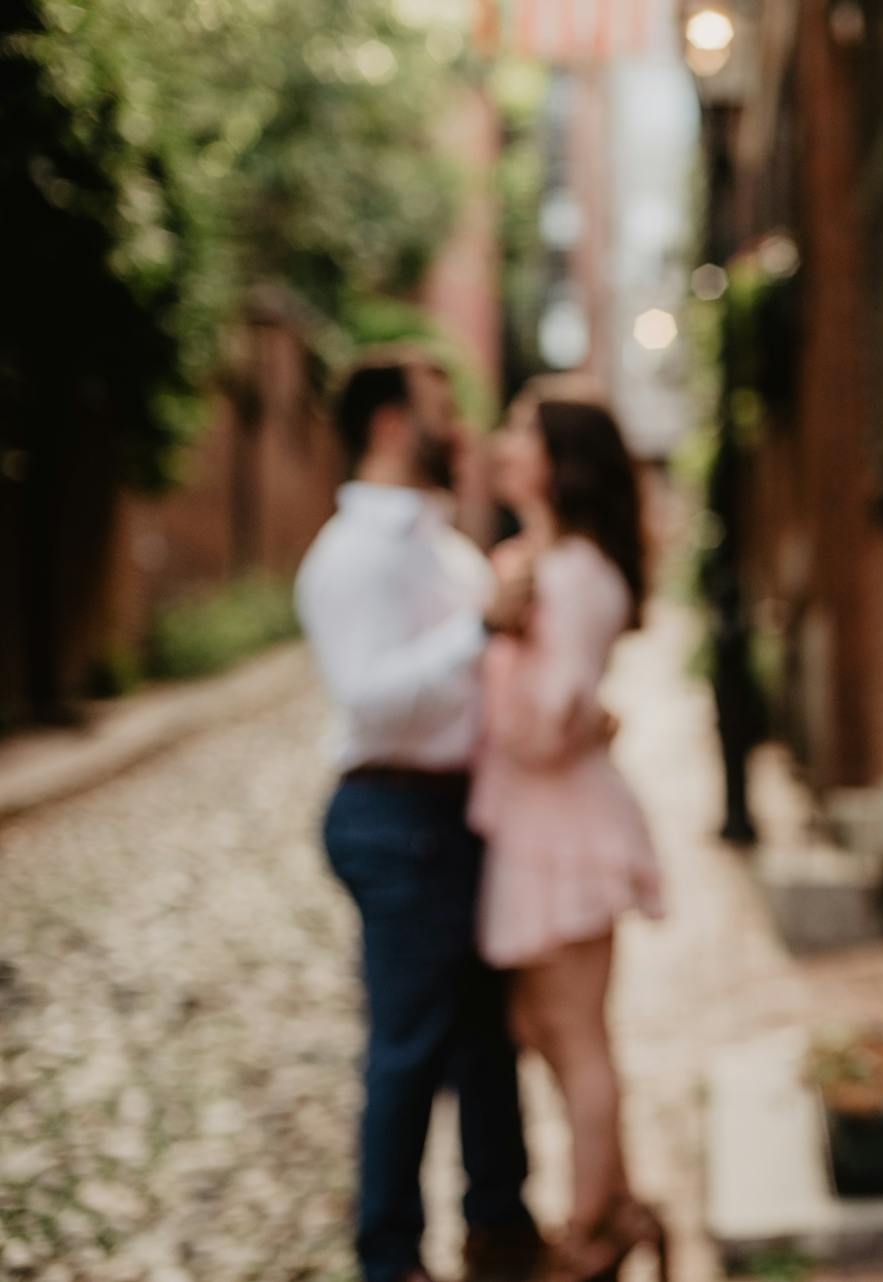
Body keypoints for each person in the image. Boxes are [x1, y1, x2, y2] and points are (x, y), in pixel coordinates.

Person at [296, 350, 545, 1282]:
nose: (462, 433)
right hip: (394, 816)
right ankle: (389, 1254)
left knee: (487, 1033)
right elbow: (365, 695)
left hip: (458, 812)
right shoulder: (352, 556)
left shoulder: (442, 544)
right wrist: (479, 629)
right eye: (444, 412)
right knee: (409, 1041)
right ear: (393, 425)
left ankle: (499, 1223)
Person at [470, 390, 668, 1282]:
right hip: (528, 822)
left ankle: (590, 1233)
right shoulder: (524, 562)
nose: (504, 446)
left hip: (569, 826)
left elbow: (545, 729)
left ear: (562, 462)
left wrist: (506, 644)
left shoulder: (579, 574)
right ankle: (619, 1204)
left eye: (523, 433)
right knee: (540, 1026)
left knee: (578, 1033)